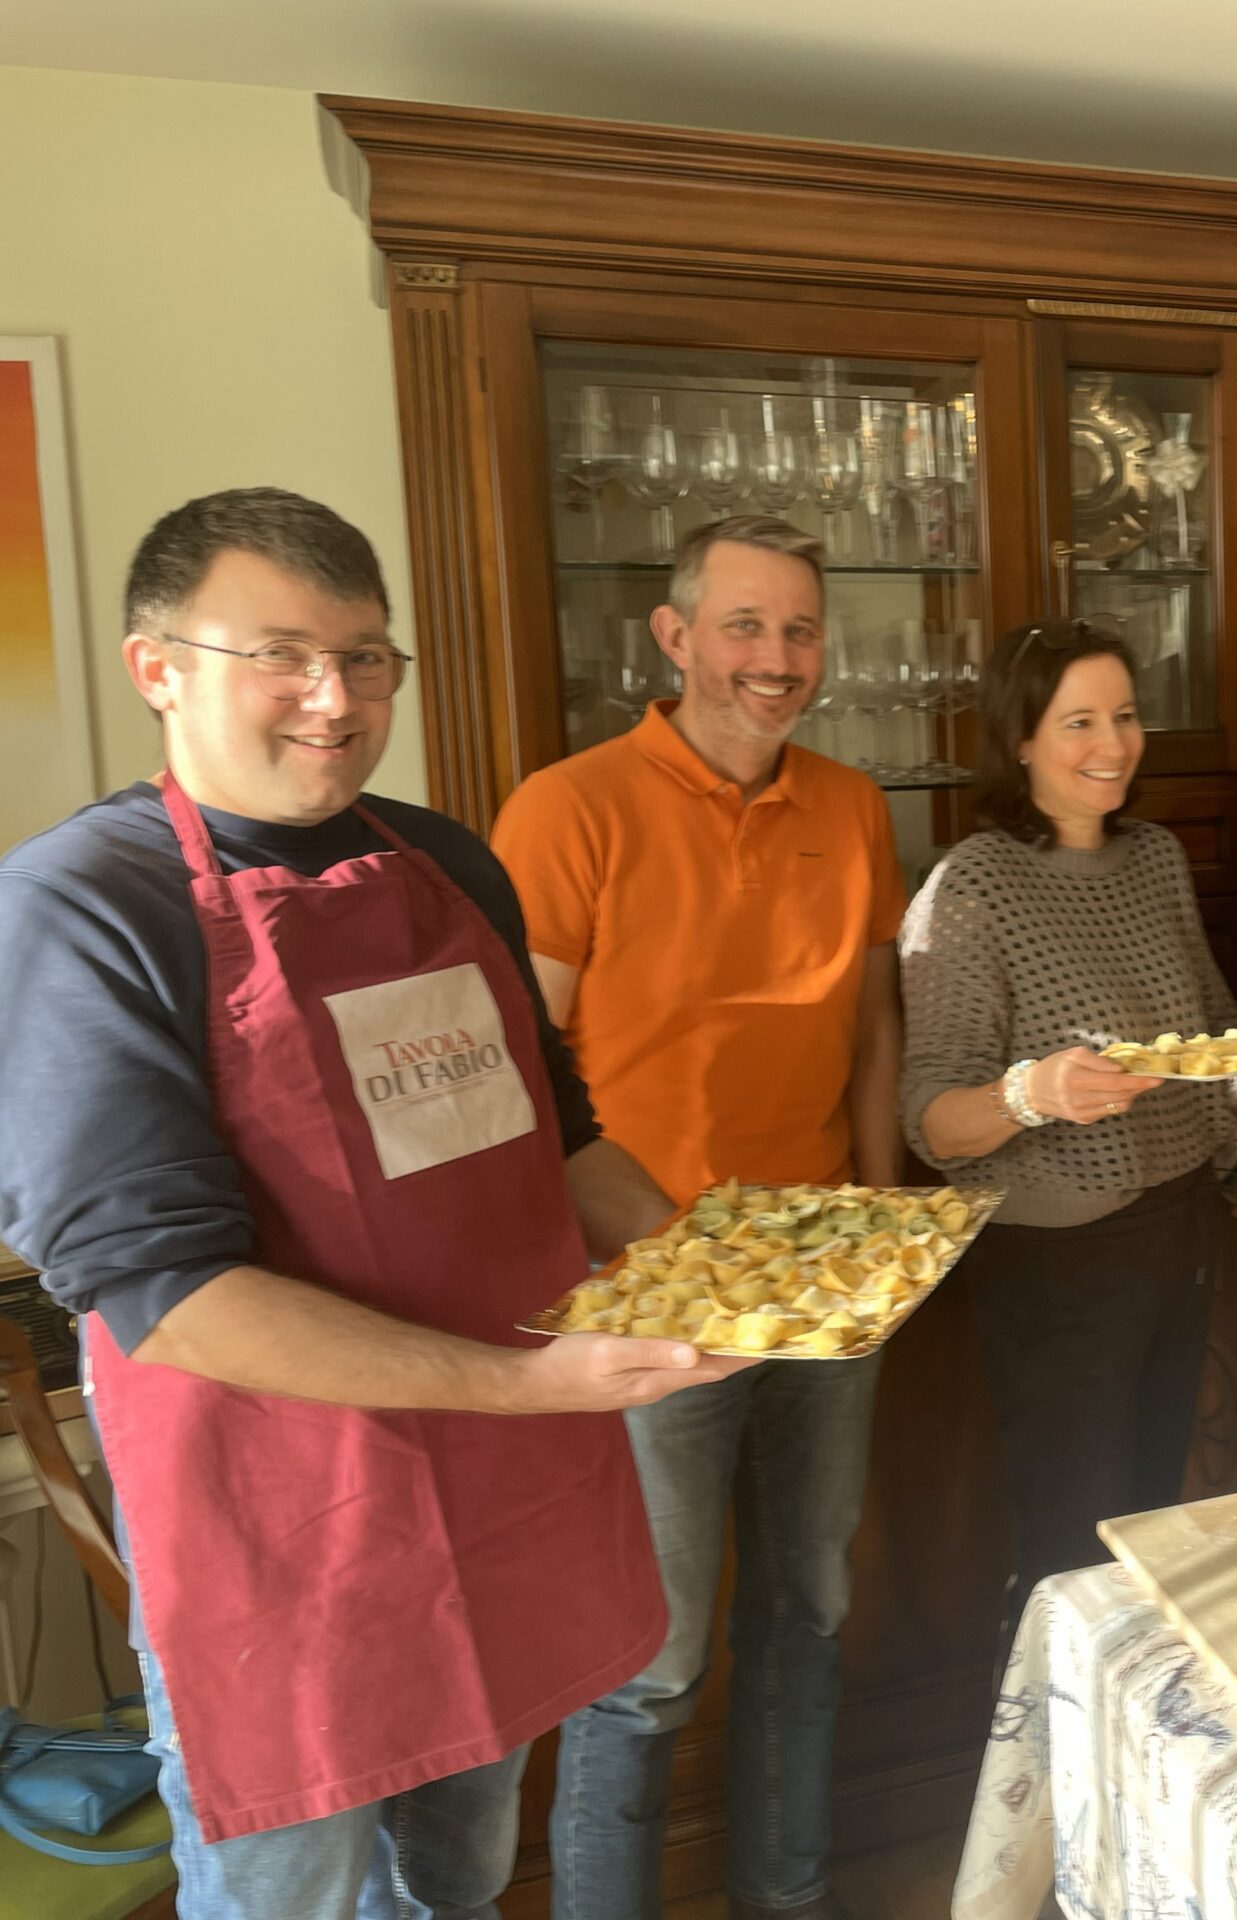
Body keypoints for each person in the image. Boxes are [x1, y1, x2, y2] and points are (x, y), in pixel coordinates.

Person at [0, 489, 746, 1920]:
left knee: (459, 1880)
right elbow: (168, 1295)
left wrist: (727, 1273)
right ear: (158, 666)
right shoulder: (82, 908)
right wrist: (537, 1384)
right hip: (285, 1538)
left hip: (496, 1503)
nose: (334, 701)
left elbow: (563, 1138)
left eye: (367, 657)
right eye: (283, 655)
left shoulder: (443, 861)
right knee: (297, 1897)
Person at [490, 516, 905, 1920]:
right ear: (673, 638)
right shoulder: (568, 807)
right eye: (744, 626)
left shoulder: (853, 805)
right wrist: (624, 1258)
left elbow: (871, 1026)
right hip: (647, 1289)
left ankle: (785, 1902)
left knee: (811, 1619)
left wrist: (877, 1227)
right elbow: (519, 1073)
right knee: (650, 1663)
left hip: (821, 1287)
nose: (775, 660)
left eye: (798, 630)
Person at [899, 618, 1237, 1640]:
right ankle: (1043, 1780)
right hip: (1057, 1271)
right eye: (1078, 720)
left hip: (1177, 1235)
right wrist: (1030, 1094)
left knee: (1147, 1537)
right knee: (1067, 1557)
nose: (1112, 743)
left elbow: (1212, 1047)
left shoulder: (1155, 861)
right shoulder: (972, 886)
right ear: (1020, 739)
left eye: (1125, 716)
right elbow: (928, 1119)